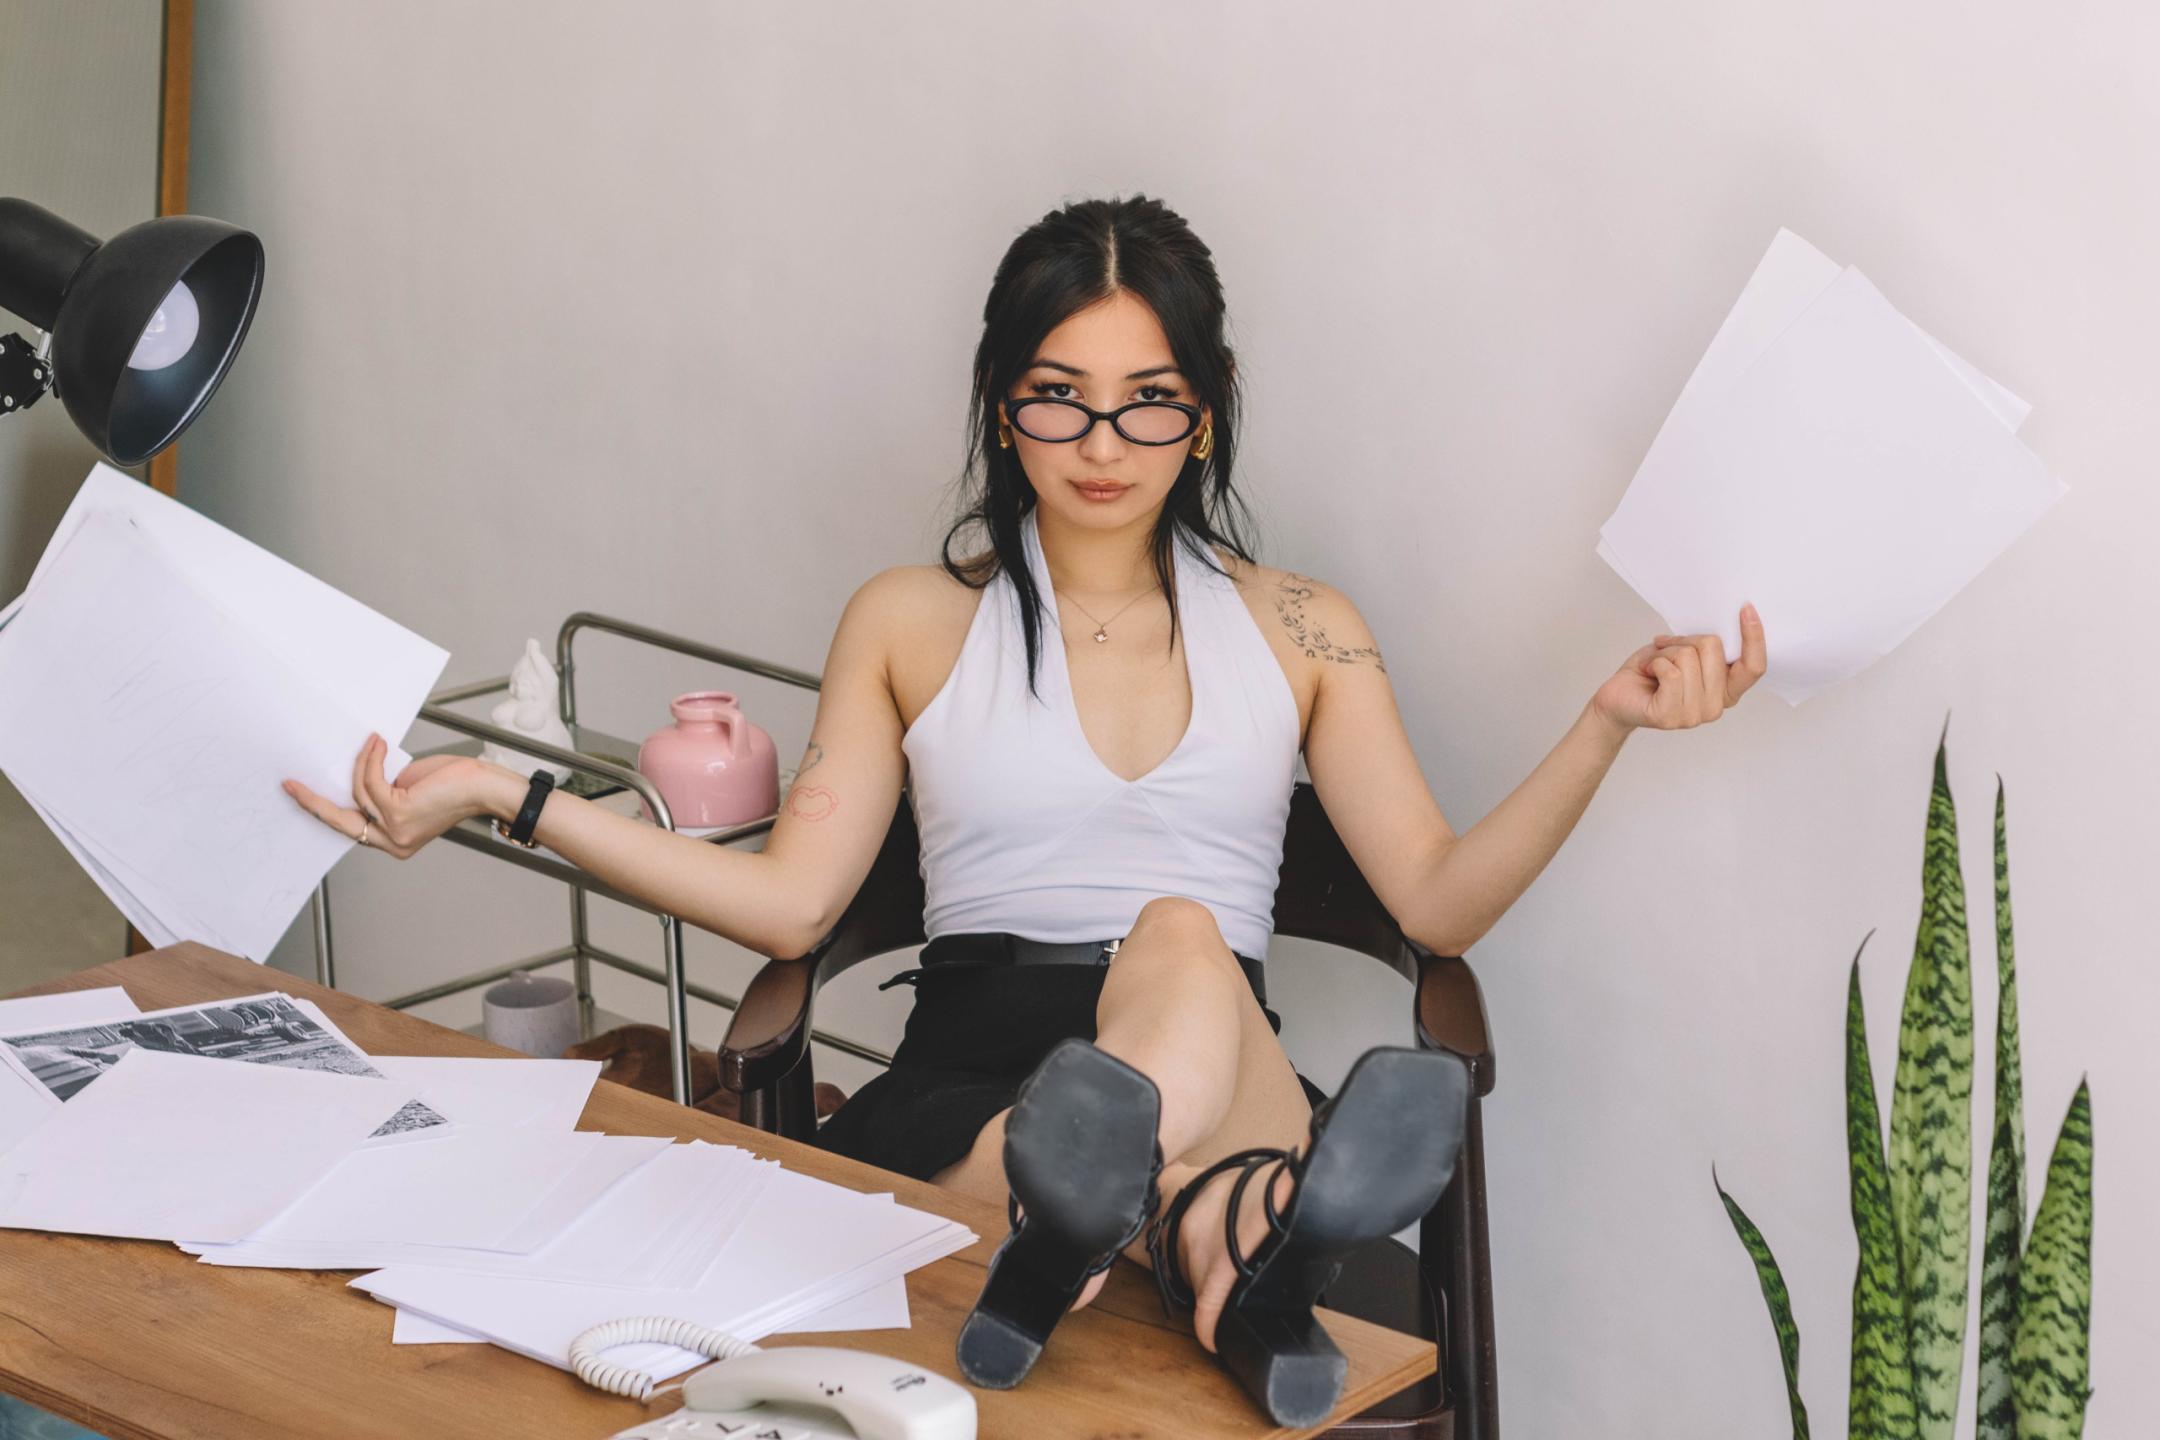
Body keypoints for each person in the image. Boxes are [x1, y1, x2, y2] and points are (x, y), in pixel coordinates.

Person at [283, 193, 1768, 1425]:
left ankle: (1098, 1219)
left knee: (1180, 937)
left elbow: (1438, 901)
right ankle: (1240, 1243)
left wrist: (1606, 724)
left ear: (1207, 412)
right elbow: (792, 906)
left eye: (1149, 402)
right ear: (1004, 408)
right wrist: (502, 791)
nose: (1103, 445)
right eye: (1060, 397)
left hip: (1209, 1037)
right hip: (979, 1082)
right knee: (1140, 1142)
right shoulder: (910, 618)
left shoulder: (1304, 626)